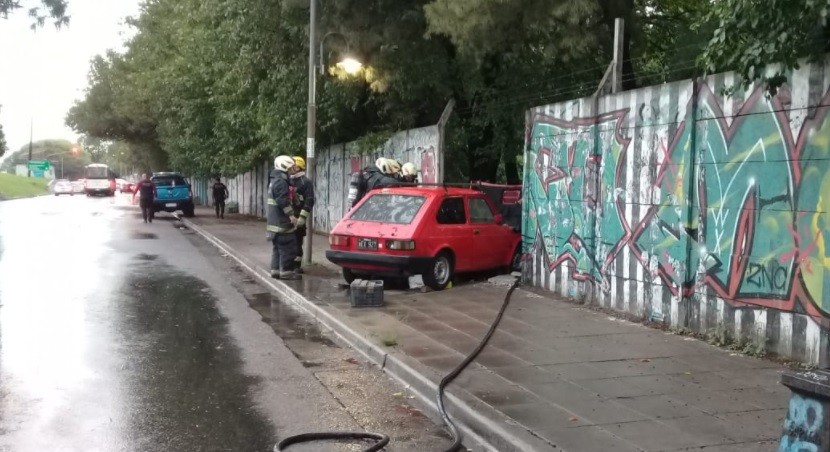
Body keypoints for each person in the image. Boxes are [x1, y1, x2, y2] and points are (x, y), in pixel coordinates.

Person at [266, 155, 301, 280]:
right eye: (291, 167)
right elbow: (282, 200)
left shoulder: (274, 180)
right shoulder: (281, 182)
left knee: (277, 248)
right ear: (284, 166)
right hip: (282, 223)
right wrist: (291, 215)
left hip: (274, 223)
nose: (293, 169)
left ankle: (275, 271)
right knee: (288, 247)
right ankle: (286, 272)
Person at [289, 156, 315, 273]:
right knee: (287, 241)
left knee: (297, 242)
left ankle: (296, 266)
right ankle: (287, 264)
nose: (290, 168)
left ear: (298, 167)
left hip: (298, 216)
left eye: (293, 165)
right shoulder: (289, 180)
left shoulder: (305, 182)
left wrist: (302, 217)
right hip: (288, 216)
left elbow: (310, 200)